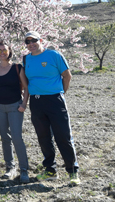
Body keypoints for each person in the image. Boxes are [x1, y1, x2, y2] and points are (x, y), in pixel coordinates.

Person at [23, 31, 80, 185]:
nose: (31, 44)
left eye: (33, 40)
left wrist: (60, 93)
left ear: (41, 40)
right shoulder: (26, 59)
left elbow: (67, 76)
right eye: (27, 42)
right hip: (36, 102)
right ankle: (50, 170)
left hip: (55, 100)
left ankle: (73, 171)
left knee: (63, 136)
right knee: (44, 138)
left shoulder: (54, 55)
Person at [0, 41, 30, 183]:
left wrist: (24, 104)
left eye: (4, 50)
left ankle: (24, 169)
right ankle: (10, 168)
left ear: (9, 51)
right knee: (4, 138)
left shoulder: (17, 68)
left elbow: (26, 88)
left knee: (17, 137)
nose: (2, 52)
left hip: (15, 106)